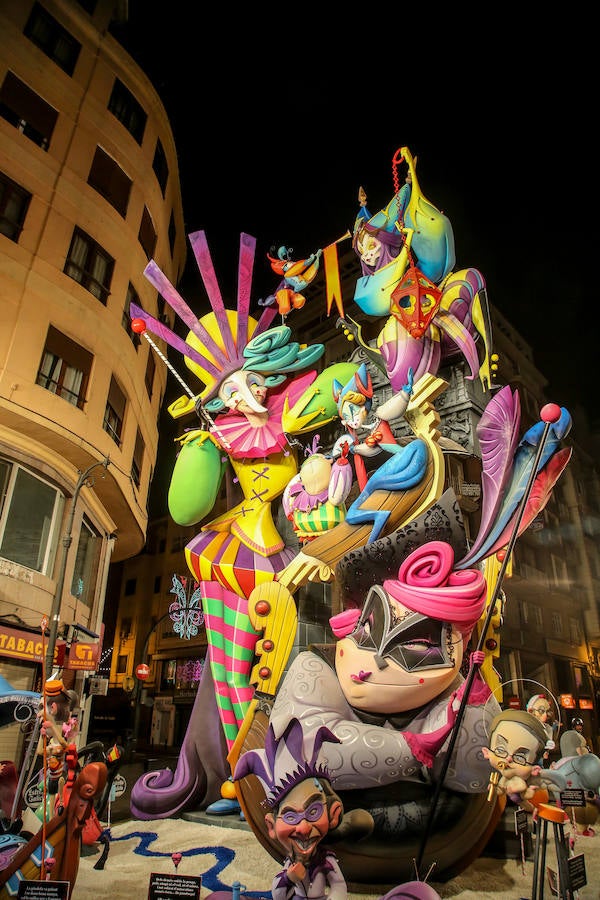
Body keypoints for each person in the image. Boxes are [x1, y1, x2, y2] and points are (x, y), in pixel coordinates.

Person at [266, 540, 501, 835]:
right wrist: (417, 746)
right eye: (367, 629)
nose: (377, 661)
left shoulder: (455, 694)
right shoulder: (316, 667)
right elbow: (305, 748)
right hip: (325, 813)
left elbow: (475, 772)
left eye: (416, 643)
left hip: (431, 822)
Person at [482, 709, 565, 811]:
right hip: (511, 798)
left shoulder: (519, 780)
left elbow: (521, 787)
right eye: (501, 750)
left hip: (521, 796)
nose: (508, 759)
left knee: (524, 802)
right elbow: (500, 790)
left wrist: (517, 789)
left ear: (534, 769)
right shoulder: (501, 778)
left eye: (520, 757)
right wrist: (495, 789)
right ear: (487, 752)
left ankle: (531, 807)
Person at [525, 694, 556, 766]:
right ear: (531, 711)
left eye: (547, 712)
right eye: (541, 711)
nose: (545, 715)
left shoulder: (548, 728)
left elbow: (549, 743)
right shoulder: (528, 727)